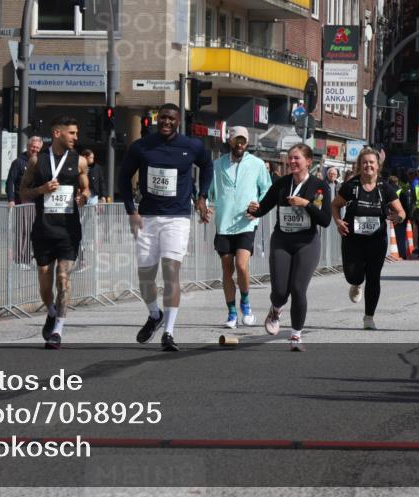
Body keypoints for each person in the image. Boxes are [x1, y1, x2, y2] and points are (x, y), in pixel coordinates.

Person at [118, 103, 213, 351]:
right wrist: (131, 210)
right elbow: (123, 177)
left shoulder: (191, 146)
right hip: (148, 218)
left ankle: (169, 332)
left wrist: (202, 196)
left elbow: (207, 166)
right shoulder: (142, 146)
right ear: (156, 119)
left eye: (170, 119)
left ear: (178, 121)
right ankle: (154, 315)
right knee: (145, 276)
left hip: (177, 218)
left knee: (171, 270)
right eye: (162, 118)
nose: (166, 122)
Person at [247, 143, 331, 351]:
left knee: (298, 288)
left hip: (307, 242)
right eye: (290, 158)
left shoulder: (319, 186)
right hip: (282, 240)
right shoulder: (282, 183)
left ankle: (295, 336)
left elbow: (325, 220)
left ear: (308, 162)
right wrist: (254, 209)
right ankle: (276, 309)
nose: (292, 162)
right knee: (280, 292)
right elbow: (263, 207)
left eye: (297, 158)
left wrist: (306, 204)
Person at [19, 116, 90, 349]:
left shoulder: (79, 161)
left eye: (76, 133)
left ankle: (58, 329)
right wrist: (42, 188)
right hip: (43, 229)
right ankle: (51, 311)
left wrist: (84, 196)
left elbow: (86, 187)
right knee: (44, 277)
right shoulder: (36, 162)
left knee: (63, 278)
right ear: (57, 133)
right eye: (71, 133)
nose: (75, 137)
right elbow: (23, 193)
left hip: (68, 230)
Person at [332, 148, 406, 329]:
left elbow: (401, 211)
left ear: (377, 165)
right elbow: (335, 205)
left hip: (376, 240)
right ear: (360, 165)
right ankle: (356, 284)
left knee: (373, 277)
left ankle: (369, 317)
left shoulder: (384, 188)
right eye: (364, 162)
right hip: (353, 240)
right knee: (353, 275)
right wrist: (338, 221)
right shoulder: (351, 186)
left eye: (371, 162)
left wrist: (399, 217)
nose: (368, 165)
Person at [207, 126, 271, 329]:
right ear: (230, 141)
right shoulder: (217, 165)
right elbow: (209, 192)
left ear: (247, 142)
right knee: (227, 269)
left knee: (242, 266)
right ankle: (232, 312)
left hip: (246, 222)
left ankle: (245, 302)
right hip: (224, 224)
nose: (240, 144)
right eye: (237, 140)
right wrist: (204, 205)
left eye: (243, 140)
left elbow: (267, 189)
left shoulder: (257, 164)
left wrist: (259, 205)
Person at [5, 136, 43, 206]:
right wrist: (11, 200)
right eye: (33, 147)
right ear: (28, 146)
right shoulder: (18, 162)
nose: (35, 149)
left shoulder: (42, 162)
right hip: (21, 203)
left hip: (37, 202)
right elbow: (10, 182)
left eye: (37, 148)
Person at [388, 175, 412, 259]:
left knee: (389, 236)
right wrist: (408, 217)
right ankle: (401, 254)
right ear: (397, 182)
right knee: (400, 237)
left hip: (389, 217)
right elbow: (406, 206)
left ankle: (388, 253)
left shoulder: (386, 190)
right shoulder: (401, 192)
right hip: (399, 217)